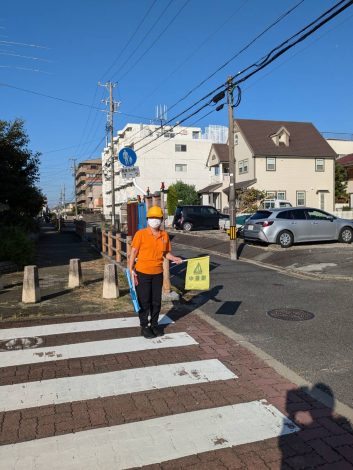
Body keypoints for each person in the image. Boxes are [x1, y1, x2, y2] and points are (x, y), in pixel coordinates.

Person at [129, 206, 183, 338]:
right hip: (142, 272)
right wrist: (131, 269)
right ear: (148, 220)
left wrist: (174, 258)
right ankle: (144, 326)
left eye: (158, 218)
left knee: (156, 301)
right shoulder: (140, 234)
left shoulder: (164, 235)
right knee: (144, 300)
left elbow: (166, 253)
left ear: (161, 220)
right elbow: (133, 252)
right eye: (152, 218)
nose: (155, 220)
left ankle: (154, 324)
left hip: (158, 273)